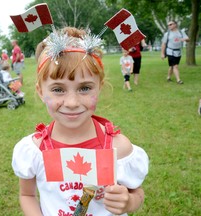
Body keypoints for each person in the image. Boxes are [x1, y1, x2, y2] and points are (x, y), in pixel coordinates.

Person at [12, 27, 149, 216]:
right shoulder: (35, 150)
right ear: (40, 91)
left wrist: (128, 202)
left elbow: (137, 193)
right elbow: (27, 194)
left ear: (99, 88)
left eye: (84, 88)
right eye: (58, 89)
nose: (72, 103)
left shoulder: (118, 147)